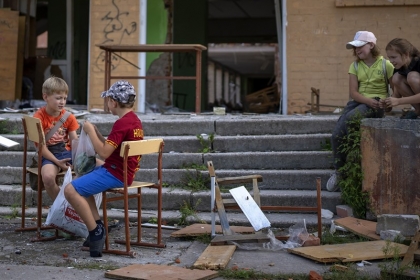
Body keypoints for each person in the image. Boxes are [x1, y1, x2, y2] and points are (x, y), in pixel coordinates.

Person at [64, 80, 144, 257]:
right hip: (123, 170)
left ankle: (95, 231)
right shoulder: (134, 121)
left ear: (113, 102)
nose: (107, 103)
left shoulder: (121, 123)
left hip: (116, 173)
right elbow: (111, 147)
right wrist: (99, 134)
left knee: (70, 190)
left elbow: (104, 153)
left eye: (107, 100)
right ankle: (98, 225)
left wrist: (90, 132)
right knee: (81, 177)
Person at [326, 31, 394, 192]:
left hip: (377, 103)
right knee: (336, 134)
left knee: (350, 120)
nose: (356, 50)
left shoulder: (386, 65)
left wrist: (388, 103)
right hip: (358, 102)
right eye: (354, 48)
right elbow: (354, 93)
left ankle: (351, 168)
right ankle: (340, 172)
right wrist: (368, 101)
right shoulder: (355, 66)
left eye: (359, 46)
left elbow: (395, 88)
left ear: (371, 45)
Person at [34, 77, 79, 200]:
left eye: (64, 98)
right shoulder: (38, 118)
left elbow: (74, 142)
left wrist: (81, 156)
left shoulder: (69, 117)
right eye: (58, 98)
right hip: (48, 153)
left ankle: (77, 205)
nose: (62, 102)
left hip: (65, 151)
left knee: (90, 169)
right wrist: (57, 162)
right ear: (45, 97)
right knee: (48, 178)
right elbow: (41, 147)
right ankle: (63, 207)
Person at [381, 38, 420, 118]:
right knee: (396, 77)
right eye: (389, 57)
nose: (391, 61)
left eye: (394, 57)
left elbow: (398, 100)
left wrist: (398, 101)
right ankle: (418, 110)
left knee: (412, 76)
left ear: (406, 54)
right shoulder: (399, 68)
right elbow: (397, 94)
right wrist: (388, 103)